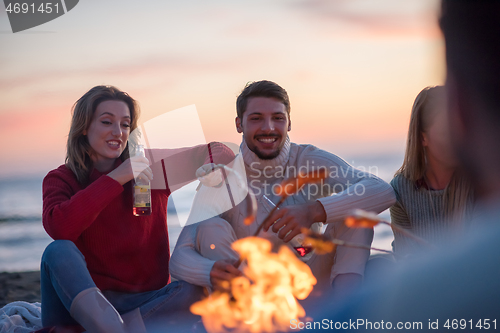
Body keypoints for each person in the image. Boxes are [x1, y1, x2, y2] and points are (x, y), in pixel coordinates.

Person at [308, 1, 500, 330]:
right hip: (433, 280)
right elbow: (409, 256)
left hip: (441, 287)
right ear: (422, 138)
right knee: (379, 266)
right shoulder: (402, 188)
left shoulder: (474, 185)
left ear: (464, 112)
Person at [170, 80, 396, 301]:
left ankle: (346, 316)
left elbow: (382, 191)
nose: (268, 127)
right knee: (210, 227)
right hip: (256, 298)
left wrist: (314, 211)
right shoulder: (222, 177)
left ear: (288, 123)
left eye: (277, 118)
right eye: (256, 118)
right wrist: (208, 270)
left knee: (355, 211)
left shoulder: (309, 159)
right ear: (239, 124)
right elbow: (179, 256)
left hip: (316, 285)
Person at [40, 85, 234, 332]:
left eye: (125, 124)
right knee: (58, 251)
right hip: (81, 302)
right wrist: (116, 178)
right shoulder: (61, 179)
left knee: (193, 291)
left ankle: (113, 329)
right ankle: (111, 326)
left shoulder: (150, 167)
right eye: (107, 122)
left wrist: (212, 169)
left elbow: (218, 149)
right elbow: (60, 228)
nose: (118, 132)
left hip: (144, 301)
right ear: (84, 127)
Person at [390, 86, 473, 259]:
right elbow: (407, 259)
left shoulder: (479, 180)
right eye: (447, 131)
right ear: (422, 138)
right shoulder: (400, 190)